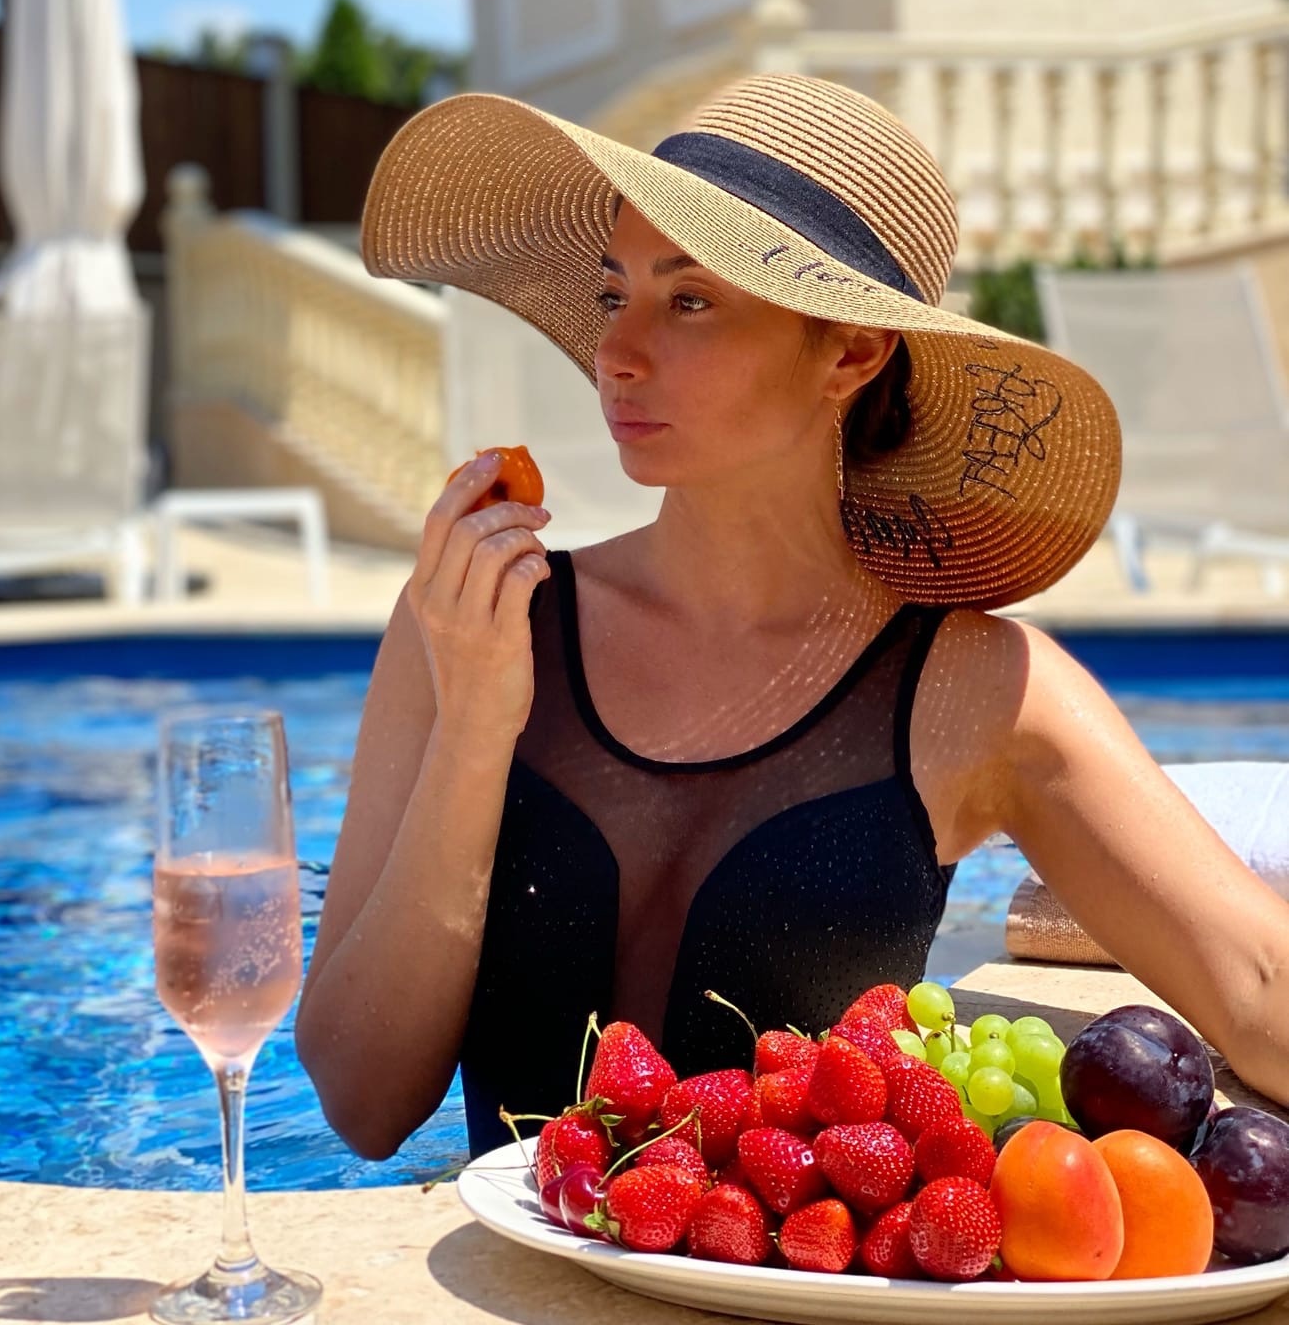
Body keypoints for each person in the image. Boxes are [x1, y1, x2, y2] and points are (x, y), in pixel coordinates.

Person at [295, 73, 1289, 1163]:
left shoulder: (977, 689)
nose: (617, 353)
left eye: (690, 301)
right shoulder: (476, 622)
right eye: (614, 295)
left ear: (851, 353)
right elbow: (362, 1100)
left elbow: (1256, 984)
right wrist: (476, 730)